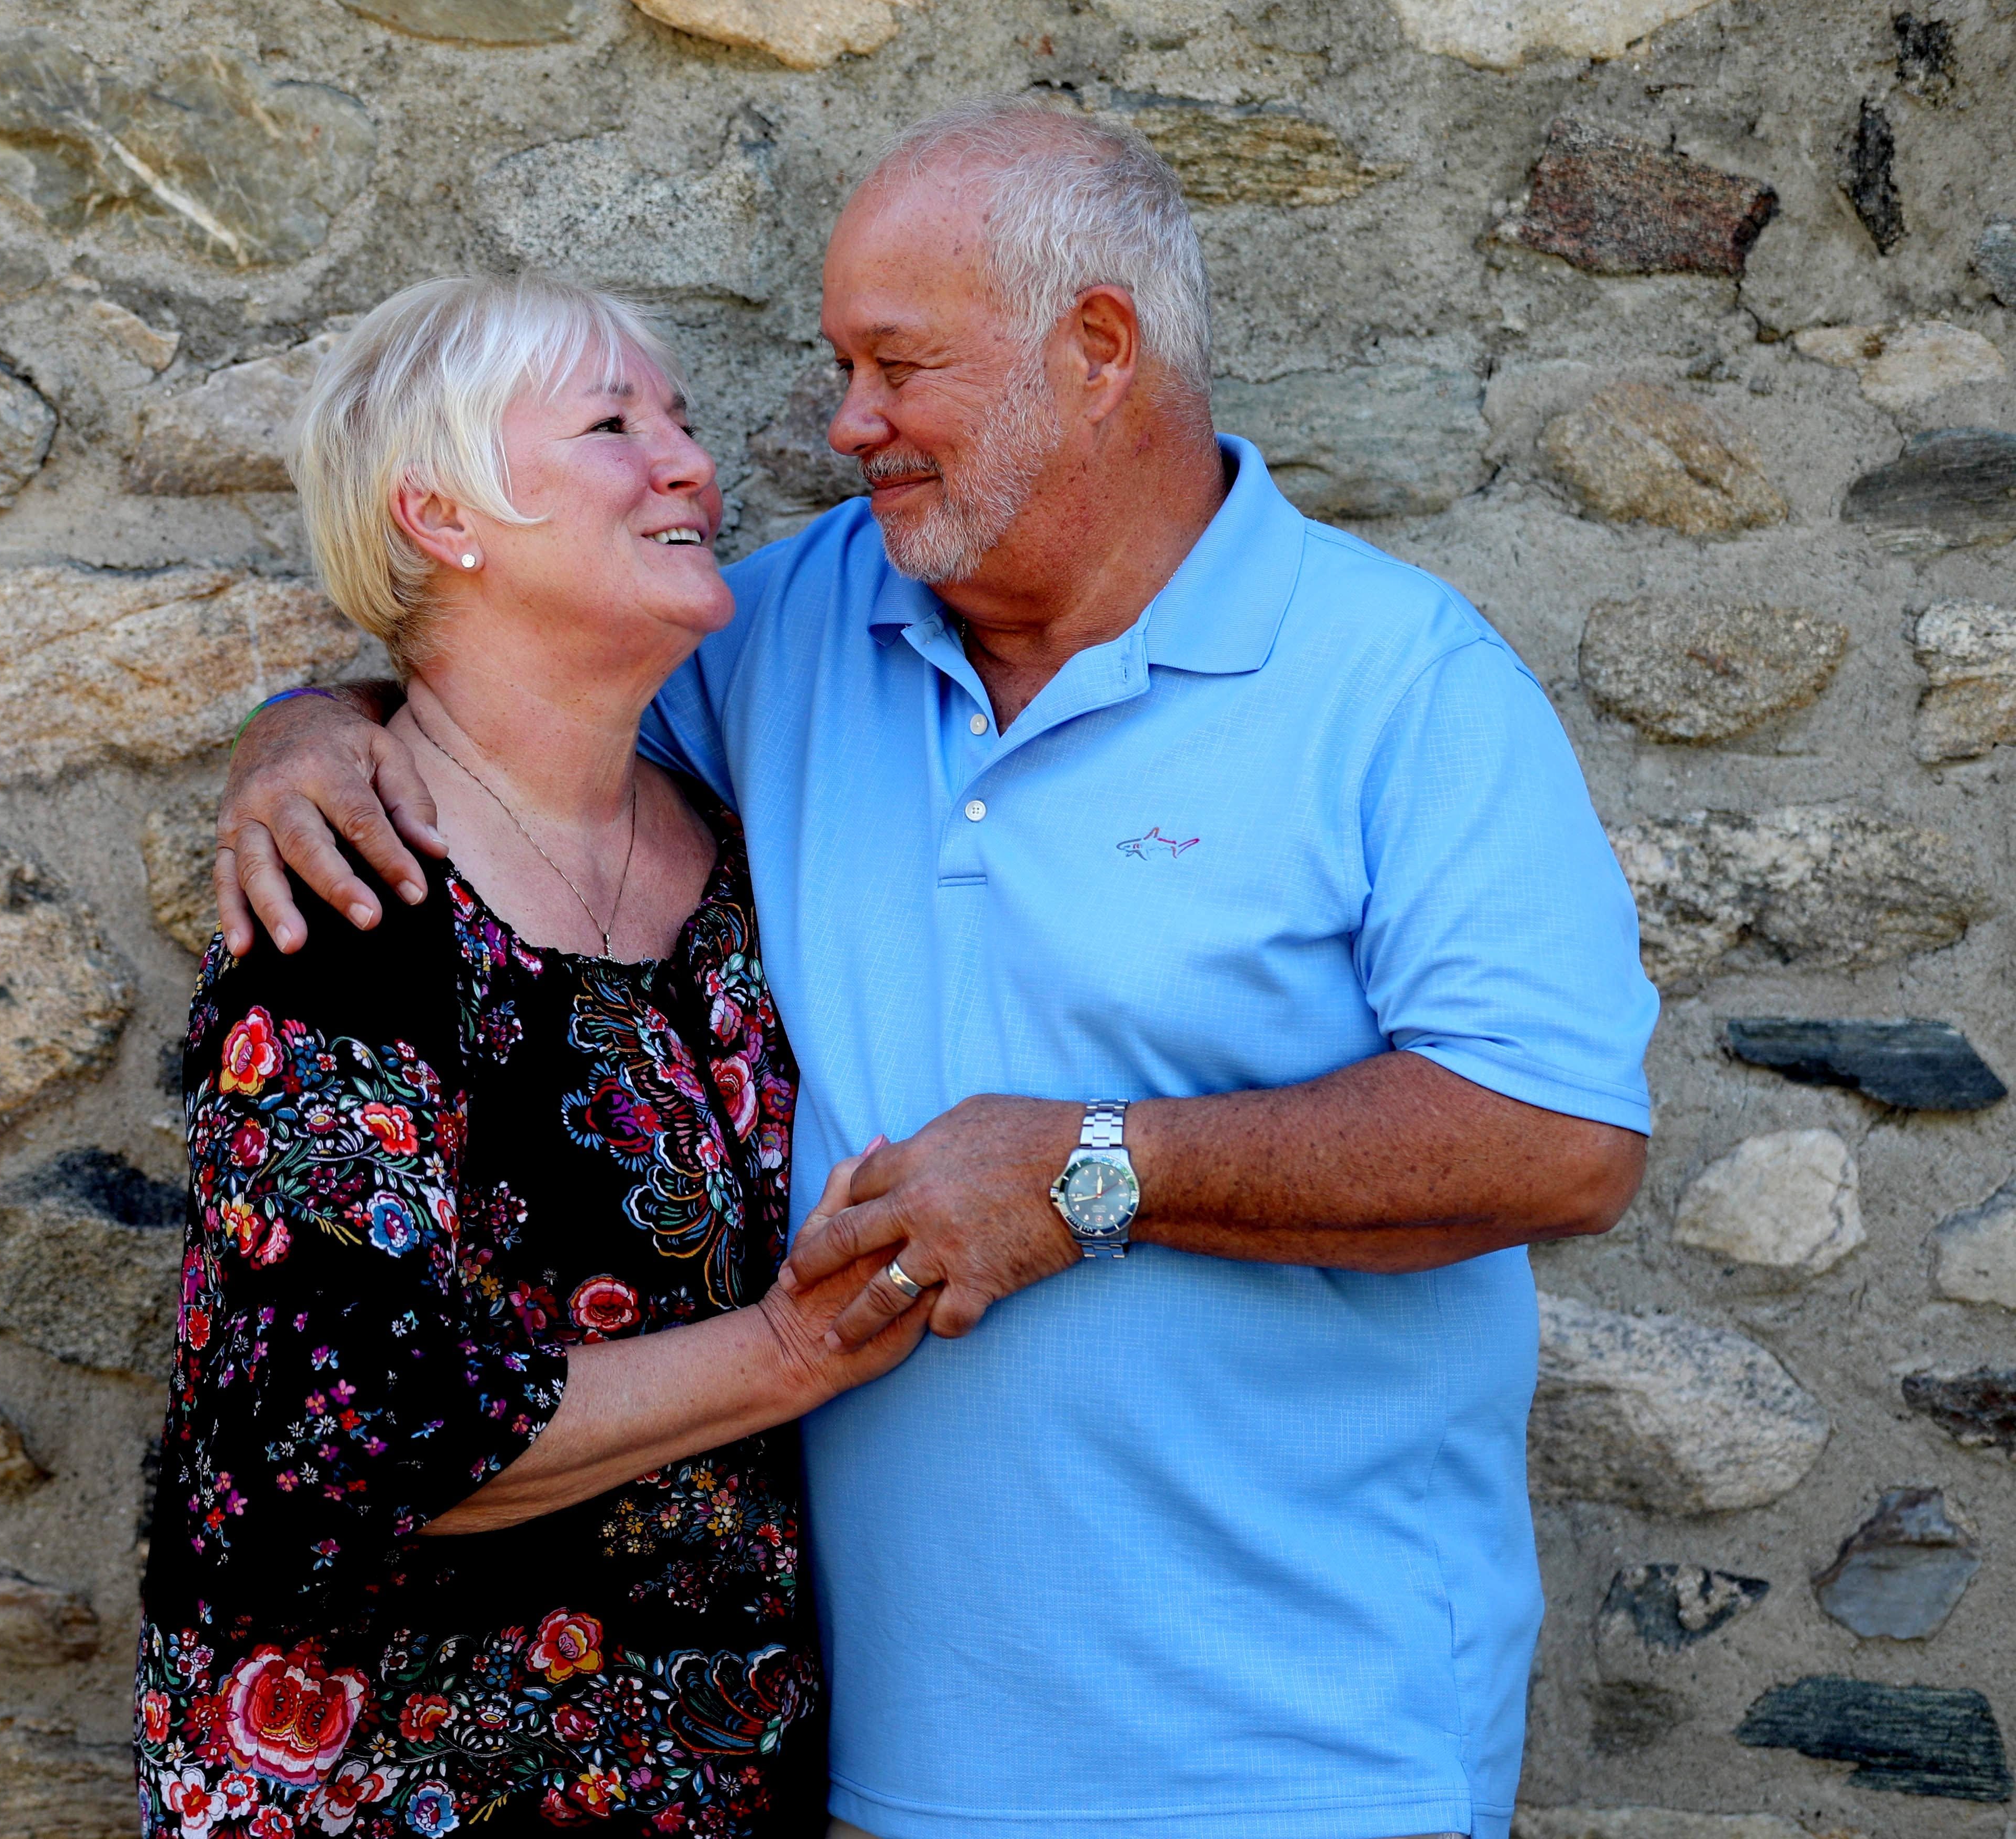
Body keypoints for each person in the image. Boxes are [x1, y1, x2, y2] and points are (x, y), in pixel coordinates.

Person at [212, 99, 1660, 1839]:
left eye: (898, 366)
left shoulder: (1400, 681)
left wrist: (1098, 1169)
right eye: (841, 366)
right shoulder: (797, 627)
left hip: (1302, 1754)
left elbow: (1560, 1141)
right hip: (885, 1769)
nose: (845, 427)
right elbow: (509, 705)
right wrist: (305, 729)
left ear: (1098, 349)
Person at [134, 274, 929, 1839]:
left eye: (682, 420)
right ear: (440, 515)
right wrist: (789, 1354)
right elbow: (332, 1426)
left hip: (712, 1771)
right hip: (392, 1786)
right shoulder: (356, 894)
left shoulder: (737, 859)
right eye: (615, 424)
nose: (692, 461)